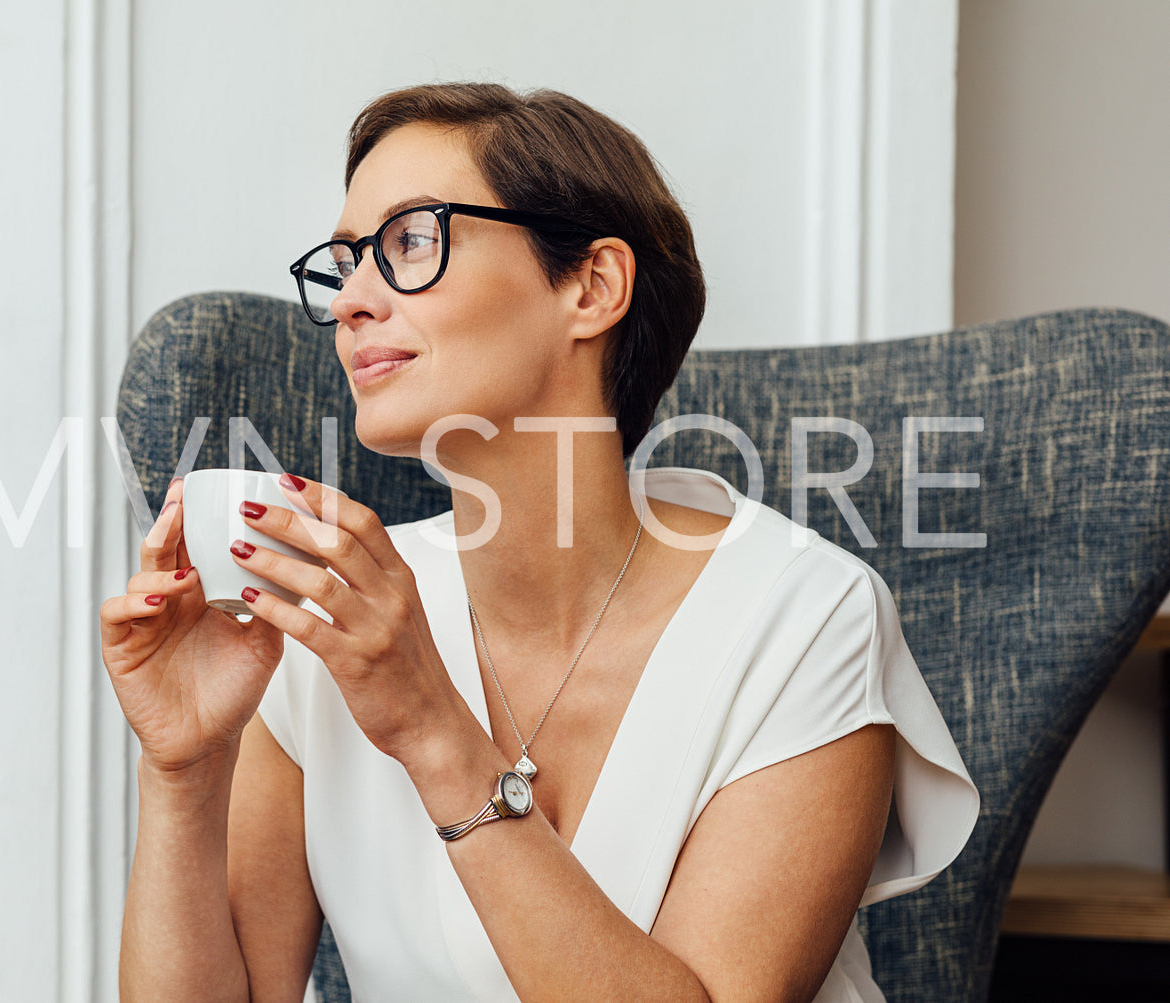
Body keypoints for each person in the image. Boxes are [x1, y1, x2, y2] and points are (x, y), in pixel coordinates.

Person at [100, 83, 978, 1002]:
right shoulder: (329, 616)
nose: (353, 298)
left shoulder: (804, 617)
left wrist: (432, 726)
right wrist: (184, 768)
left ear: (590, 287)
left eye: (408, 242)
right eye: (345, 260)